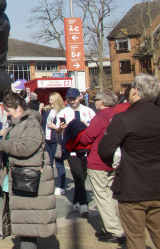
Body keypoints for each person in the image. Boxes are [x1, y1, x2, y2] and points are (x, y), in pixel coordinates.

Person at [0, 91, 57, 249]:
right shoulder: (19, 123)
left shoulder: (30, 123)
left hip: (28, 179)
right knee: (26, 224)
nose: (7, 115)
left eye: (9, 111)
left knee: (28, 226)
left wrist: (1, 144)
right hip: (20, 178)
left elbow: (27, 148)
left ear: (18, 108)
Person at [99, 74, 160, 249]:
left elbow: (105, 150)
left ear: (135, 91)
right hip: (156, 186)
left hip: (132, 188)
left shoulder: (124, 119)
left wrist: (115, 165)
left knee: (135, 240)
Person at [78, 89, 125, 244]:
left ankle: (114, 230)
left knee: (102, 197)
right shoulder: (118, 116)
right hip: (115, 161)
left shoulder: (100, 118)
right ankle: (109, 227)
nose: (95, 101)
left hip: (98, 162)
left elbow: (86, 138)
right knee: (111, 196)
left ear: (102, 102)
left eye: (96, 99)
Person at [56, 86, 95, 214]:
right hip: (71, 148)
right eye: (69, 99)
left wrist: (86, 125)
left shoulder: (89, 111)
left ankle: (76, 199)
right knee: (77, 175)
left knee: (83, 176)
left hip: (86, 148)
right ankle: (84, 204)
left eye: (74, 99)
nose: (72, 101)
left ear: (80, 97)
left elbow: (94, 129)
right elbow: (58, 130)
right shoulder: (63, 113)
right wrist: (61, 129)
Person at [43, 92, 66, 195]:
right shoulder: (48, 111)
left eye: (52, 99)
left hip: (56, 140)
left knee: (59, 164)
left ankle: (61, 186)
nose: (50, 101)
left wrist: (54, 127)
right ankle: (50, 185)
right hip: (47, 140)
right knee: (48, 164)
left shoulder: (61, 112)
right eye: (49, 99)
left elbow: (64, 128)